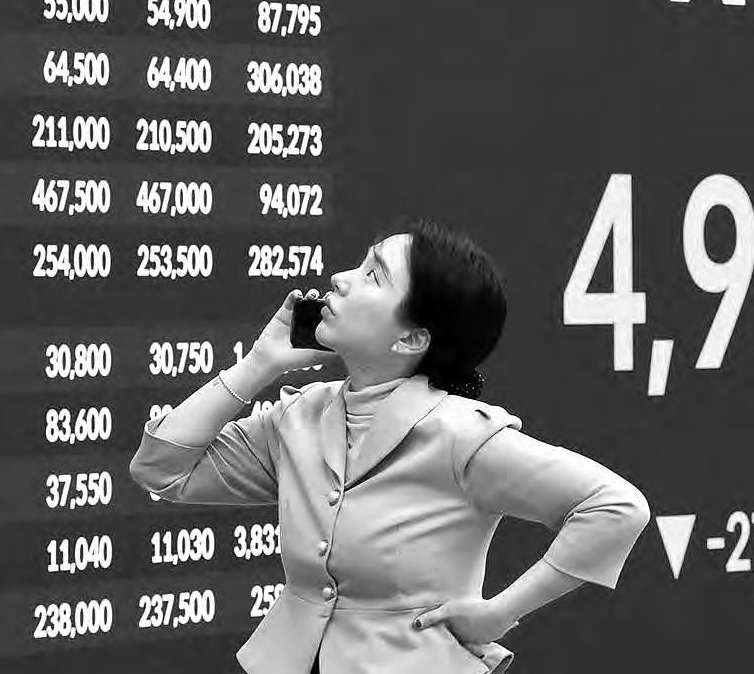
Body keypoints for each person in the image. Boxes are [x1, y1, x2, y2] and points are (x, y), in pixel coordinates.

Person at [129, 217, 652, 674]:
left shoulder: (460, 434)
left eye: (372, 275)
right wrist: (257, 366)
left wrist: (500, 612)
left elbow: (615, 506)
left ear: (411, 339)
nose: (341, 279)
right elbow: (162, 469)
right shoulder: (300, 417)